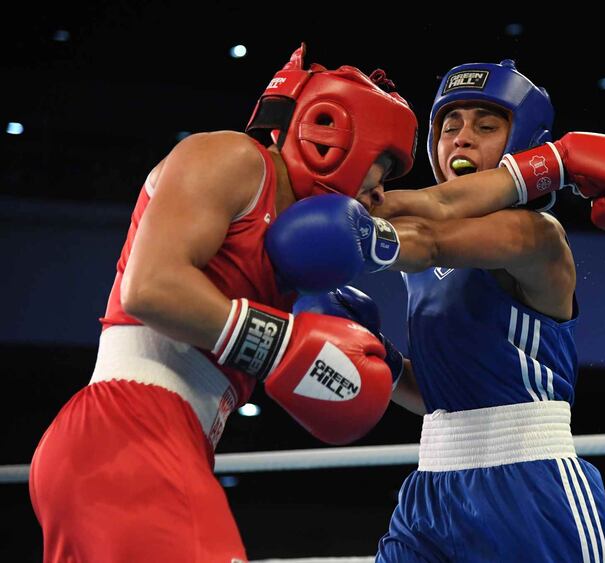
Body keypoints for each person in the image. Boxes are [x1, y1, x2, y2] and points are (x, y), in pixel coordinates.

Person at [27, 43, 419, 562]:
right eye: (380, 171)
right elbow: (149, 288)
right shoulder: (233, 158)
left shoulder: (294, 257)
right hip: (129, 431)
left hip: (154, 443)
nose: (380, 195)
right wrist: (282, 344)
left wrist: (376, 360)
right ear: (331, 136)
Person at [275, 59, 605, 562]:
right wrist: (385, 366)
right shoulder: (419, 253)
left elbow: (431, 233)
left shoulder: (537, 236)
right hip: (433, 490)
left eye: (485, 126)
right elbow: (445, 397)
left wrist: (552, 164)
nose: (461, 138)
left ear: (522, 142)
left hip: (532, 487)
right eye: (449, 126)